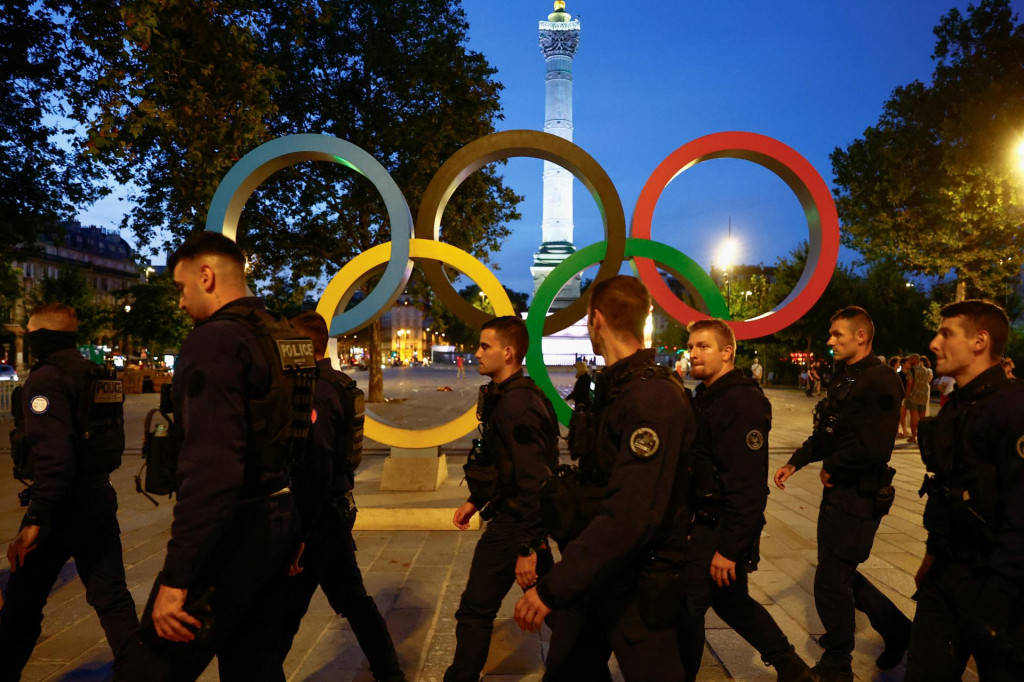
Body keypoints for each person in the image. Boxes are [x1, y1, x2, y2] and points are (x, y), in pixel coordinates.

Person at [119, 232, 312, 680]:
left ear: (205, 276)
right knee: (255, 666)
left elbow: (212, 470)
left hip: (232, 532)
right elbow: (304, 441)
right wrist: (297, 524)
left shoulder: (216, 341)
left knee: (148, 667)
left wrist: (177, 578)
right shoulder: (284, 335)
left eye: (181, 288)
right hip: (276, 522)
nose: (181, 303)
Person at [514, 275, 696, 681]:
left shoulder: (653, 398)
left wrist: (552, 587)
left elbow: (631, 513)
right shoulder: (609, 389)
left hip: (639, 585)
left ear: (596, 319)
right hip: (597, 577)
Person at [774, 306, 911, 682]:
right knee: (842, 573)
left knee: (830, 579)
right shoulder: (847, 376)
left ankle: (838, 663)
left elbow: (875, 445)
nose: (830, 340)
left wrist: (834, 466)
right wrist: (797, 461)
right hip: (841, 494)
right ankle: (898, 630)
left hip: (860, 494)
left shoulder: (881, 379)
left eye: (837, 334)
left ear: (861, 337)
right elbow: (829, 432)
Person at [0, 303, 138, 678]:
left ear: (42, 337)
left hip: (62, 505)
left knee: (21, 606)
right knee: (112, 598)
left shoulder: (47, 378)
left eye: (30, 332)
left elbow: (55, 457)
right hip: (98, 496)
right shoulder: (97, 374)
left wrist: (35, 519)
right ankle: (141, 672)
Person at [681, 319, 815, 682]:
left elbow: (749, 486)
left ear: (727, 352)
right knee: (731, 602)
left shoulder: (740, 402)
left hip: (718, 525)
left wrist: (729, 548)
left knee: (687, 609)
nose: (693, 353)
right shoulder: (708, 395)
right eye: (691, 346)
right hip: (706, 520)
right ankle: (792, 668)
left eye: (703, 346)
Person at [277, 311, 407, 682]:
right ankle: (390, 673)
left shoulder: (314, 390)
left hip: (315, 521)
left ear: (302, 346)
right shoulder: (340, 384)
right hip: (335, 511)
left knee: (282, 615)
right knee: (354, 601)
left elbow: (314, 467)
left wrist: (298, 537)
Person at [906, 300, 1024, 681]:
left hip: (1000, 585)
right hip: (948, 572)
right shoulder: (959, 405)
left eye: (946, 333)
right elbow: (949, 488)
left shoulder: (1012, 408)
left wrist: (999, 597)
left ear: (980, 341)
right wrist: (931, 556)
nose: (934, 342)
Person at [445, 316, 560, 682]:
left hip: (516, 523)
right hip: (519, 520)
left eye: (485, 346)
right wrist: (474, 501)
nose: (476, 353)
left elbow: (532, 477)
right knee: (557, 606)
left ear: (508, 353)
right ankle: (588, 659)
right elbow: (502, 463)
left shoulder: (517, 404)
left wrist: (528, 544)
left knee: (476, 610)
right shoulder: (508, 397)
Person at [904, 354, 929, 444]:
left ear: (914, 360)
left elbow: (909, 384)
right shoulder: (926, 370)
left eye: (911, 359)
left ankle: (913, 436)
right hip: (923, 396)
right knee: (922, 417)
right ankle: (924, 436)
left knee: (914, 416)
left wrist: (906, 396)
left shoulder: (911, 370)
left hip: (914, 396)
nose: (910, 361)